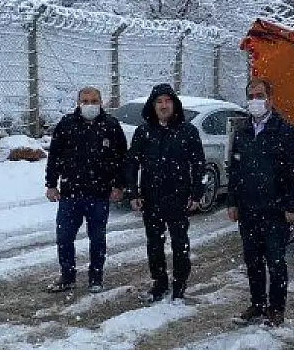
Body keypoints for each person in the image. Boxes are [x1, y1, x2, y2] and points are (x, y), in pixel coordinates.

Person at [227, 78, 294, 327]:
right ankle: (258, 303)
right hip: (249, 209)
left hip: (275, 210)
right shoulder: (242, 133)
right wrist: (233, 201)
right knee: (252, 260)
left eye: (260, 95)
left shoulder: (286, 131)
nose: (255, 101)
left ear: (270, 99)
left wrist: (292, 205)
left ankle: (276, 308)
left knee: (276, 261)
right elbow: (235, 170)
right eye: (251, 96)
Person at [125, 83, 206, 302]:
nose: (163, 105)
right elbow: (132, 164)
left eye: (167, 101)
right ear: (153, 105)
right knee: (154, 244)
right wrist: (133, 193)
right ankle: (159, 282)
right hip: (151, 198)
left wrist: (197, 195)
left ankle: (180, 284)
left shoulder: (188, 131)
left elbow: (198, 164)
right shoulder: (144, 132)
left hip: (179, 198)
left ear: (174, 104)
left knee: (180, 244)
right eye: (159, 101)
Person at [44, 87, 127, 293]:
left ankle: (96, 277)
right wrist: (51, 184)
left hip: (99, 195)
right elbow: (55, 156)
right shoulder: (67, 125)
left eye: (94, 101)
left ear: (101, 103)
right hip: (71, 194)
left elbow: (121, 159)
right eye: (86, 101)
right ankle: (67, 275)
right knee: (64, 237)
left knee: (97, 239)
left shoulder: (111, 126)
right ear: (78, 103)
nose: (90, 105)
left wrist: (119, 185)